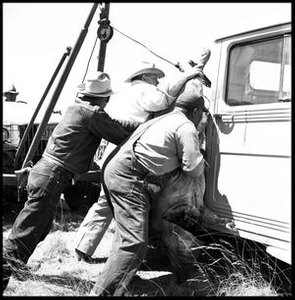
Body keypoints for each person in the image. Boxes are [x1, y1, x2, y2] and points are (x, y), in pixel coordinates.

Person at [2, 71, 134, 292]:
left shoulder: (77, 109)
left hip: (44, 173)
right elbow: (119, 134)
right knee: (24, 232)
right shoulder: (93, 114)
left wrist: (138, 124)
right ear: (105, 98)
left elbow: (113, 123)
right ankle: (6, 270)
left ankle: (17, 266)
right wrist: (147, 127)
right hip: (52, 176)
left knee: (40, 227)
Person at [74, 53, 211, 262]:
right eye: (155, 77)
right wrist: (188, 75)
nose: (157, 81)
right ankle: (131, 255)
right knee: (131, 205)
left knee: (107, 201)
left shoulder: (125, 93)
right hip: (131, 152)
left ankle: (84, 246)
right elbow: (164, 100)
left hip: (115, 152)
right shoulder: (145, 91)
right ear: (146, 77)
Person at [90, 88, 209, 296]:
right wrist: (202, 160)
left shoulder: (164, 118)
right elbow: (192, 167)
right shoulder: (185, 126)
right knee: (135, 242)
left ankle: (119, 283)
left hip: (118, 170)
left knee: (125, 237)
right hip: (130, 175)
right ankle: (103, 293)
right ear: (196, 110)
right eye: (202, 113)